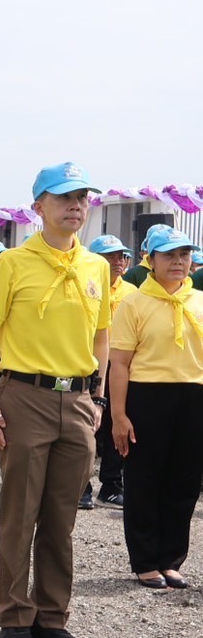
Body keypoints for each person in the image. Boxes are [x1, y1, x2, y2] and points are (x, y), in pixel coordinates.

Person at [0, 163, 109, 638]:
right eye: (64, 198)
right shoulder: (12, 263)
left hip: (76, 398)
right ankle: (14, 616)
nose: (76, 206)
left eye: (82, 198)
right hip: (24, 394)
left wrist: (98, 394)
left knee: (61, 516)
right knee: (20, 511)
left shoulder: (95, 266)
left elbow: (101, 333)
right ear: (38, 207)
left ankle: (52, 616)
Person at [108, 226, 203, 590]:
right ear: (150, 260)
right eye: (169, 255)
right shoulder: (134, 302)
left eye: (184, 254)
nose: (178, 262)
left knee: (184, 482)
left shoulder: (198, 301)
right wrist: (119, 414)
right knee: (145, 480)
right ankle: (146, 560)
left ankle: (171, 558)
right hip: (147, 396)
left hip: (194, 397)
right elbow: (119, 363)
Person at [83, 235, 137, 509]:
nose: (117, 262)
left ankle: (111, 485)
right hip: (88, 363)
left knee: (116, 423)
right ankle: (82, 485)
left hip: (120, 366)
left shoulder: (131, 292)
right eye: (110, 256)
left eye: (121, 256)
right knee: (85, 427)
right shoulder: (86, 286)